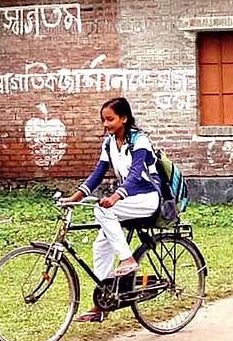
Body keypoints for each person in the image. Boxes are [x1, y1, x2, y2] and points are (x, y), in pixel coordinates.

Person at [62, 97, 162, 323]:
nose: (105, 124)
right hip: (129, 200)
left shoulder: (139, 140)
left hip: (147, 197)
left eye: (110, 119)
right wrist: (75, 198)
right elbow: (98, 173)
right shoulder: (109, 143)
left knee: (102, 211)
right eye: (103, 120)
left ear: (123, 118)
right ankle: (103, 303)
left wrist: (117, 196)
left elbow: (136, 174)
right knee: (100, 245)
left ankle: (128, 260)